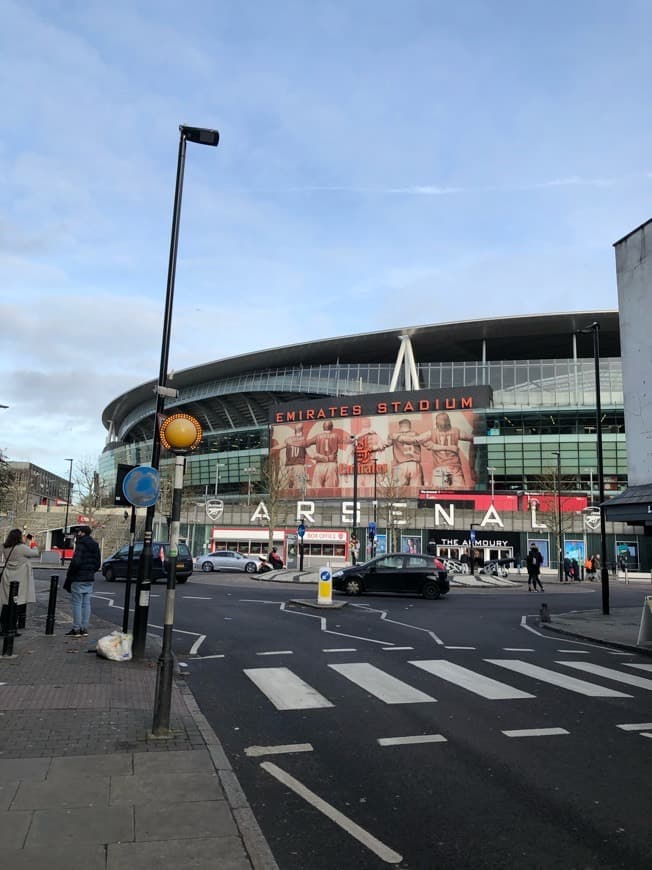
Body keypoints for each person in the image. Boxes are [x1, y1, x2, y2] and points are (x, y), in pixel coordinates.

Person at [419, 412, 476, 489]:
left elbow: (418, 440)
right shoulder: (456, 431)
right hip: (455, 468)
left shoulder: (431, 433)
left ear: (436, 422)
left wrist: (434, 446)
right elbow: (473, 438)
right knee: (460, 494)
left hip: (440, 468)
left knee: (438, 495)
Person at [1, 529, 39, 635]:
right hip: (19, 578)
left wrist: (26, 543)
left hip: (7, 576)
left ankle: (3, 627)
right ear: (19, 537)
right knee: (16, 603)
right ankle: (12, 628)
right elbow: (35, 553)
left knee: (6, 603)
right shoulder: (22, 548)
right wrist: (32, 543)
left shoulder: (4, 546)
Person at [65, 525, 101, 638]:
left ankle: (76, 629)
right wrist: (91, 571)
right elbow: (97, 563)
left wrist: (70, 574)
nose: (77, 534)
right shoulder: (95, 545)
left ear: (83, 533)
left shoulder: (81, 545)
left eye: (79, 532)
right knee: (86, 603)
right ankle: (84, 628)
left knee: (77, 603)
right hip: (89, 578)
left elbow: (76, 562)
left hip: (78, 578)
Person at [385, 418, 425, 488]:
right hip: (414, 465)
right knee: (416, 490)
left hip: (400, 465)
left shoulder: (393, 435)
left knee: (399, 492)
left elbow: (385, 444)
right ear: (409, 426)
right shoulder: (416, 434)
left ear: (400, 426)